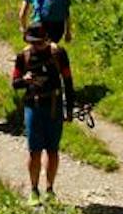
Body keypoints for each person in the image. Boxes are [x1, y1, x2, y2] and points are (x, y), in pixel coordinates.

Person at [10, 23, 75, 199]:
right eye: (33, 42)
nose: (36, 46)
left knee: (53, 150)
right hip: (33, 106)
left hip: (54, 106)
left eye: (39, 42)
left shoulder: (59, 53)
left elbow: (68, 81)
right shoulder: (23, 56)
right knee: (34, 150)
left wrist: (69, 108)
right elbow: (15, 83)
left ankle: (50, 189)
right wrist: (25, 80)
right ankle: (34, 190)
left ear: (46, 39)